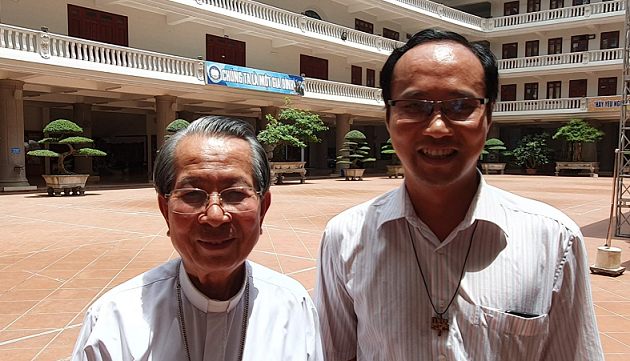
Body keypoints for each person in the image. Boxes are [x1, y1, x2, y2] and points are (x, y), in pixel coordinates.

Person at [314, 29, 604, 361]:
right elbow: (335, 353)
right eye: (414, 106)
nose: (437, 127)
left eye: (460, 105)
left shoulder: (553, 241)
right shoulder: (345, 237)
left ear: (489, 117)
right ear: (389, 118)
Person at [72, 116, 323, 361]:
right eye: (192, 194)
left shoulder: (293, 306)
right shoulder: (114, 319)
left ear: (263, 209)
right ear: (165, 211)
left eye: (235, 193)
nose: (215, 215)